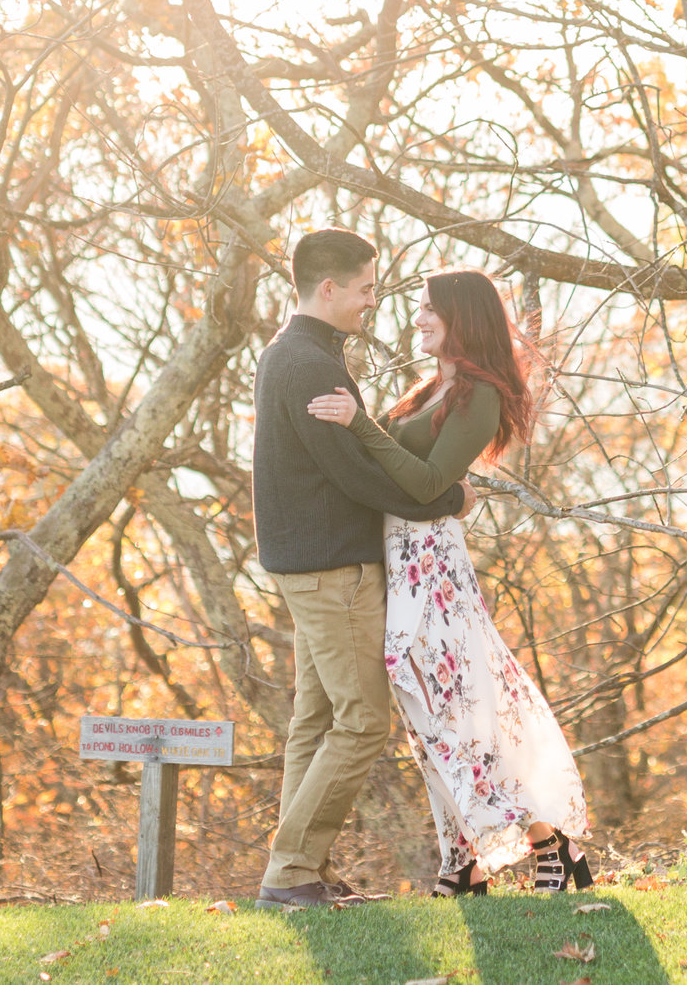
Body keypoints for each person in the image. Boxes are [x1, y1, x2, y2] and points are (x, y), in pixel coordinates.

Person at [308, 267, 594, 895]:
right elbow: (396, 472)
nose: (416, 319)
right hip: (397, 560)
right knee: (426, 713)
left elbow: (424, 483)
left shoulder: (478, 394)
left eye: (428, 308)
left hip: (431, 565)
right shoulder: (425, 390)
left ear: (461, 316)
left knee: (459, 709)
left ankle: (547, 841)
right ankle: (459, 861)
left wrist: (360, 424)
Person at [250, 228, 471, 910]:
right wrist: (443, 498)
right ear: (330, 289)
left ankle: (302, 868)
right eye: (367, 288)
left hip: (306, 565)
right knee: (362, 722)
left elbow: (344, 463)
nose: (373, 300)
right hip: (331, 569)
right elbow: (351, 473)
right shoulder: (310, 364)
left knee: (315, 723)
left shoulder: (293, 353)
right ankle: (289, 873)